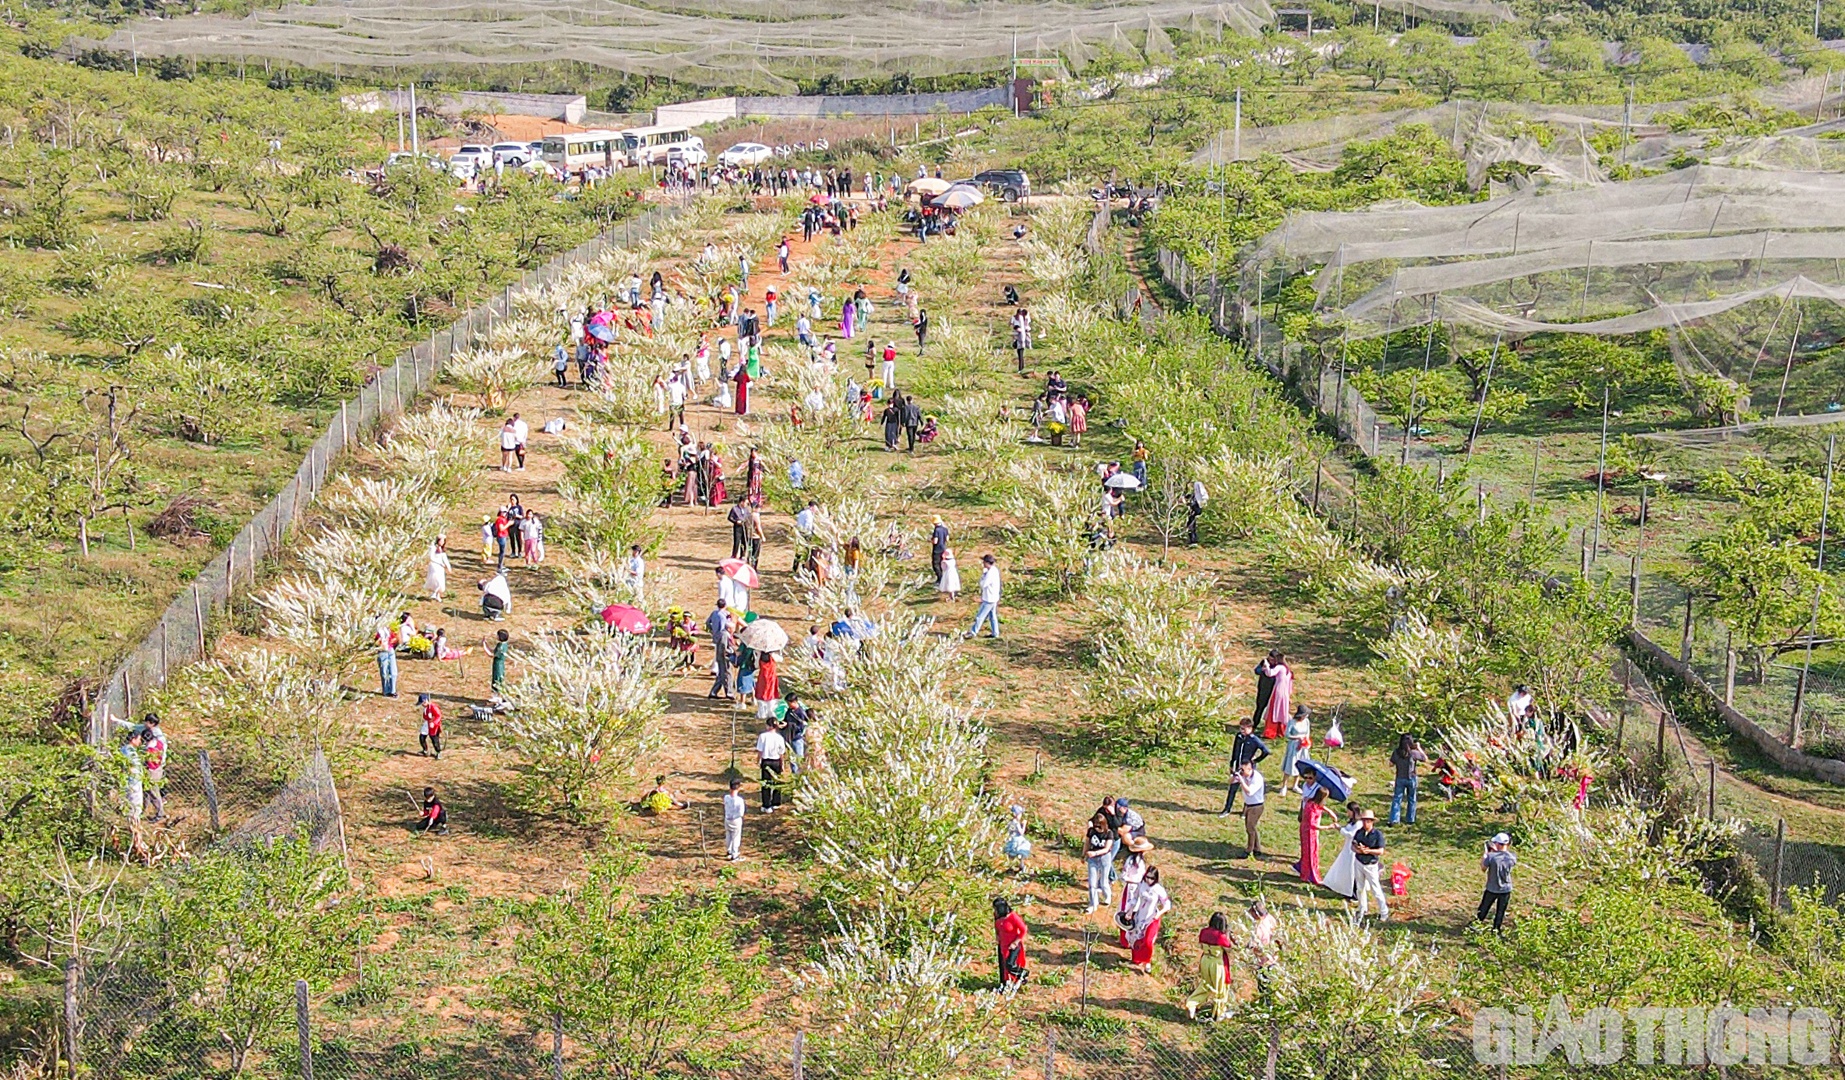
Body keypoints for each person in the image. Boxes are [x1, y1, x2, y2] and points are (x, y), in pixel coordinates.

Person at [1186, 912, 1236, 1021]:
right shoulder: (1221, 936)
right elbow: (1229, 949)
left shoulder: (1203, 932)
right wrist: (1228, 936)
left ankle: (1192, 1004)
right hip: (1217, 963)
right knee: (1220, 989)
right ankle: (1218, 1013)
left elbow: (1200, 945)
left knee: (1205, 985)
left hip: (1205, 961)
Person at [1125, 866, 1170, 974]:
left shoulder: (1158, 889)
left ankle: (1147, 961)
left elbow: (1167, 904)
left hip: (1152, 917)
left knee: (1148, 941)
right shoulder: (1142, 885)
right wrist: (1130, 911)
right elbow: (1135, 898)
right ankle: (1137, 958)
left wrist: (1159, 913)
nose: (1149, 880)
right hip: (1140, 915)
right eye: (1147, 877)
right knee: (1136, 938)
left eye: (1151, 878)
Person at [1221, 719, 1270, 815]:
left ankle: (1245, 811)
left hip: (1247, 769)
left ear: (1250, 728)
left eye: (1244, 729)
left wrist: (1255, 761)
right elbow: (1235, 751)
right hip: (1238, 766)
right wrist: (1232, 764)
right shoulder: (1239, 737)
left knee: (1247, 789)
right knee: (1232, 788)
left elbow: (1266, 751)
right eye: (1241, 728)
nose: (1242, 730)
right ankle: (1227, 808)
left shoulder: (1254, 739)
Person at [1351, 809, 1388, 921]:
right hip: (1359, 862)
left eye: (1368, 821)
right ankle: (1362, 908)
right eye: (1364, 821)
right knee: (1360, 888)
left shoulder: (1377, 835)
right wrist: (1358, 850)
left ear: (1372, 822)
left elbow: (1380, 851)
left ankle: (1384, 911)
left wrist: (1369, 851)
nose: (1365, 823)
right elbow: (1353, 846)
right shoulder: (1359, 832)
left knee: (1375, 889)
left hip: (1371, 864)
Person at [1322, 800, 1364, 899]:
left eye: (1348, 811)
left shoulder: (1359, 823)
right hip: (1347, 848)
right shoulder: (1353, 822)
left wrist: (1340, 829)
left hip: (1353, 850)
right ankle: (1338, 886)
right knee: (1343, 868)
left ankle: (1353, 893)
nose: (1347, 813)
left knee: (1351, 871)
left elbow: (1351, 834)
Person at [1478, 833, 1516, 931]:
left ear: (1498, 844)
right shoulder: (1512, 857)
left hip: (1492, 888)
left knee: (1483, 909)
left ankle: (1476, 925)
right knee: (1500, 912)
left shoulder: (1491, 857)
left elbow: (1483, 868)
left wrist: (1485, 855)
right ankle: (1496, 929)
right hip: (1506, 889)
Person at [1296, 788, 1334, 885]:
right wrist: (1328, 827)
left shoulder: (1313, 803)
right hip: (1308, 832)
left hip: (1309, 831)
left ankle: (1305, 872)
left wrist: (1329, 811)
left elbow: (1320, 807)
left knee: (1311, 852)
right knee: (1310, 853)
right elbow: (1313, 825)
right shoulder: (1311, 808)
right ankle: (1310, 875)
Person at [1389, 733, 1428, 826]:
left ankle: (1394, 819)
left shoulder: (1396, 752)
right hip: (1411, 778)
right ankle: (1410, 819)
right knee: (1412, 799)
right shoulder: (1413, 753)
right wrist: (1419, 747)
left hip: (1400, 778)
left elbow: (1390, 764)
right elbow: (1425, 758)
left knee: (1397, 799)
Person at [993, 897, 1028, 990]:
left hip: (1013, 945)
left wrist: (1016, 942)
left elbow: (1023, 929)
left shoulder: (1013, 917)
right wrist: (997, 935)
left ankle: (1022, 974)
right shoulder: (997, 916)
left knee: (1010, 964)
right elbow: (996, 925)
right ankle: (1004, 984)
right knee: (1003, 966)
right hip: (1002, 945)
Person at [1256, 651, 1293, 739]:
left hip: (1278, 691)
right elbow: (1290, 685)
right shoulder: (1288, 671)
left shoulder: (1280, 667)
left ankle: (1270, 731)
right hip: (1285, 693)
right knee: (1281, 711)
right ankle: (1281, 730)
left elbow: (1270, 673)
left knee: (1273, 711)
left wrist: (1266, 666)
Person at [1083, 811, 1115, 912]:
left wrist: (1095, 853)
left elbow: (1106, 849)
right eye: (1096, 826)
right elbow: (1087, 843)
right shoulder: (1091, 831)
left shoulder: (1109, 833)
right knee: (1092, 883)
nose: (1097, 828)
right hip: (1092, 859)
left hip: (1104, 858)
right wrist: (1083, 854)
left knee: (1103, 881)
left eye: (1099, 826)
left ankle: (1107, 896)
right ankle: (1093, 904)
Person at [1234, 760, 1267, 858]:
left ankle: (1249, 850)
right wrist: (1235, 776)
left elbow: (1249, 791)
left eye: (1243, 770)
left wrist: (1241, 780)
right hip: (1248, 805)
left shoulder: (1257, 778)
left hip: (1256, 806)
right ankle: (1257, 849)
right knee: (1251, 827)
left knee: (1250, 828)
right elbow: (1230, 782)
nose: (1242, 772)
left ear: (1250, 769)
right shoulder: (1243, 775)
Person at [965, 555, 1001, 640]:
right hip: (994, 597)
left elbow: (983, 584)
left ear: (987, 563)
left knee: (980, 616)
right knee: (992, 616)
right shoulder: (994, 570)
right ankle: (995, 633)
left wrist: (983, 576)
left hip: (989, 599)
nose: (983, 563)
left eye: (984, 562)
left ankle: (973, 632)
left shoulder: (990, 573)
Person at [755, 717, 788, 813]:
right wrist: (782, 764)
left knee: (766, 783)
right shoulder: (779, 737)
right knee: (777, 782)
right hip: (776, 761)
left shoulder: (763, 736)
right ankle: (776, 802)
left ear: (768, 726)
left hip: (766, 761)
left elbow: (760, 751)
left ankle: (766, 805)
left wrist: (758, 760)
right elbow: (781, 753)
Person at [139, 714, 167, 822]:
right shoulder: (159, 743)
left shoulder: (149, 750)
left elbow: (150, 763)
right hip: (158, 769)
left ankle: (160, 813)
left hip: (152, 771)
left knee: (153, 792)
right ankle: (143, 810)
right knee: (147, 792)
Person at [706, 599, 734, 700]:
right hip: (722, 650)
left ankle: (715, 692)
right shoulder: (724, 631)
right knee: (726, 672)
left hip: (717, 641)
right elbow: (722, 629)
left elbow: (707, 623)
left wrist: (713, 632)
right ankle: (728, 693)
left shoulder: (714, 613)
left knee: (723, 673)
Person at [1280, 705, 1310, 798]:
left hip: (1303, 747)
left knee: (1301, 765)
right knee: (1290, 764)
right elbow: (1287, 734)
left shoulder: (1306, 722)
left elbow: (1307, 733)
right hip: (1294, 746)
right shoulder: (1292, 722)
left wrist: (1307, 742)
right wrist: (1297, 737)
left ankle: (1295, 785)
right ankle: (1284, 786)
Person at [723, 778, 747, 860]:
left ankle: (729, 850)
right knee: (736, 837)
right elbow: (741, 813)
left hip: (727, 819)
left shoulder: (726, 797)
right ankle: (735, 854)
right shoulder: (740, 800)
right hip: (736, 820)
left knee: (728, 835)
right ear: (739, 788)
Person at [375, 619, 399, 697]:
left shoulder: (387, 629)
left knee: (393, 671)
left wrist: (393, 640)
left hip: (390, 650)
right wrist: (379, 642)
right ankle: (386, 690)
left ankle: (393, 690)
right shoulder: (376, 630)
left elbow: (395, 637)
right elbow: (375, 642)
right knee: (384, 671)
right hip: (382, 651)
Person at [417, 692, 442, 759]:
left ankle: (438, 752)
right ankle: (425, 750)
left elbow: (438, 716)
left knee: (434, 739)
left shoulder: (433, 707)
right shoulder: (426, 708)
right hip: (427, 723)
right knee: (422, 737)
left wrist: (433, 723)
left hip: (434, 725)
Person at [488, 629, 510, 697]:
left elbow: (491, 654)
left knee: (497, 679)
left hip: (498, 665)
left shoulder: (500, 646)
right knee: (500, 678)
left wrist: (484, 646)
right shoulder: (503, 644)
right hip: (501, 664)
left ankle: (496, 696)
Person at [1185, 478, 1206, 545]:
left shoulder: (1198, 486)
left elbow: (1203, 496)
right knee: (1190, 524)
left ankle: (1193, 540)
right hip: (1193, 509)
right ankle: (1192, 539)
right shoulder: (1194, 494)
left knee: (1191, 524)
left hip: (1195, 509)